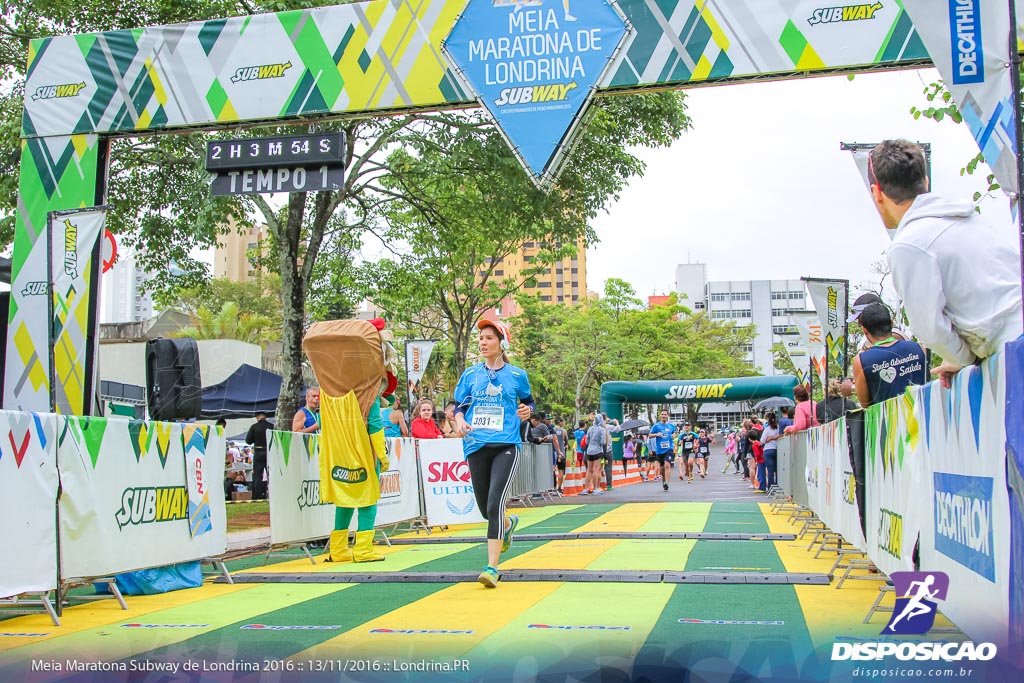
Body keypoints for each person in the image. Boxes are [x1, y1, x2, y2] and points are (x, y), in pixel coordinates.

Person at [868, 139, 1023, 388]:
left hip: (1012, 350)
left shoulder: (909, 244)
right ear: (925, 181)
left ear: (877, 193)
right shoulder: (970, 218)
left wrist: (965, 358)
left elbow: (930, 330)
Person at [452, 319, 535, 588]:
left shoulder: (516, 375)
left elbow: (528, 401)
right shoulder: (471, 375)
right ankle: (508, 523)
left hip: (506, 445)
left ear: (502, 343)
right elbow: (458, 406)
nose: (483, 342)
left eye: (489, 338)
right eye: (481, 339)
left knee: (494, 503)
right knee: (485, 509)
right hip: (476, 444)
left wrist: (527, 411)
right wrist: (459, 420)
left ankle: (492, 568)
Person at [852, 302, 928, 407]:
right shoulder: (920, 347)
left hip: (889, 421)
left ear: (865, 330)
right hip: (924, 417)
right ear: (891, 323)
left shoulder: (861, 361)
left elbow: (865, 404)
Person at [245, 411, 272, 500]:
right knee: (271, 475)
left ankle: (257, 496)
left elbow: (248, 441)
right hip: (269, 452)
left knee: (257, 476)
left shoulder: (254, 427)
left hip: (258, 451)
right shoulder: (271, 426)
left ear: (257, 417)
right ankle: (272, 494)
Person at [648, 410, 676, 492]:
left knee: (667, 465)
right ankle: (664, 481)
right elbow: (649, 435)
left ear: (667, 416)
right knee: (662, 468)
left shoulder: (671, 425)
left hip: (669, 448)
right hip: (660, 450)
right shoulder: (656, 426)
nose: (664, 416)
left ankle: (667, 482)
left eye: (665, 414)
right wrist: (657, 434)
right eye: (662, 414)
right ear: (660, 416)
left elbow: (674, 433)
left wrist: (673, 436)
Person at [582, 413, 608, 495]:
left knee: (589, 470)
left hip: (589, 451)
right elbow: (603, 442)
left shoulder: (590, 429)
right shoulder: (602, 430)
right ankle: (596, 488)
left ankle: (586, 489)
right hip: (598, 451)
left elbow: (587, 441)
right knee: (596, 470)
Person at [759, 412, 782, 492]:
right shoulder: (779, 428)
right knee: (778, 469)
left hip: (768, 450)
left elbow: (762, 441)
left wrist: (770, 438)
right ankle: (778, 486)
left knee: (770, 470)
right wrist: (774, 438)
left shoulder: (767, 429)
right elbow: (782, 435)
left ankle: (771, 488)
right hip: (777, 449)